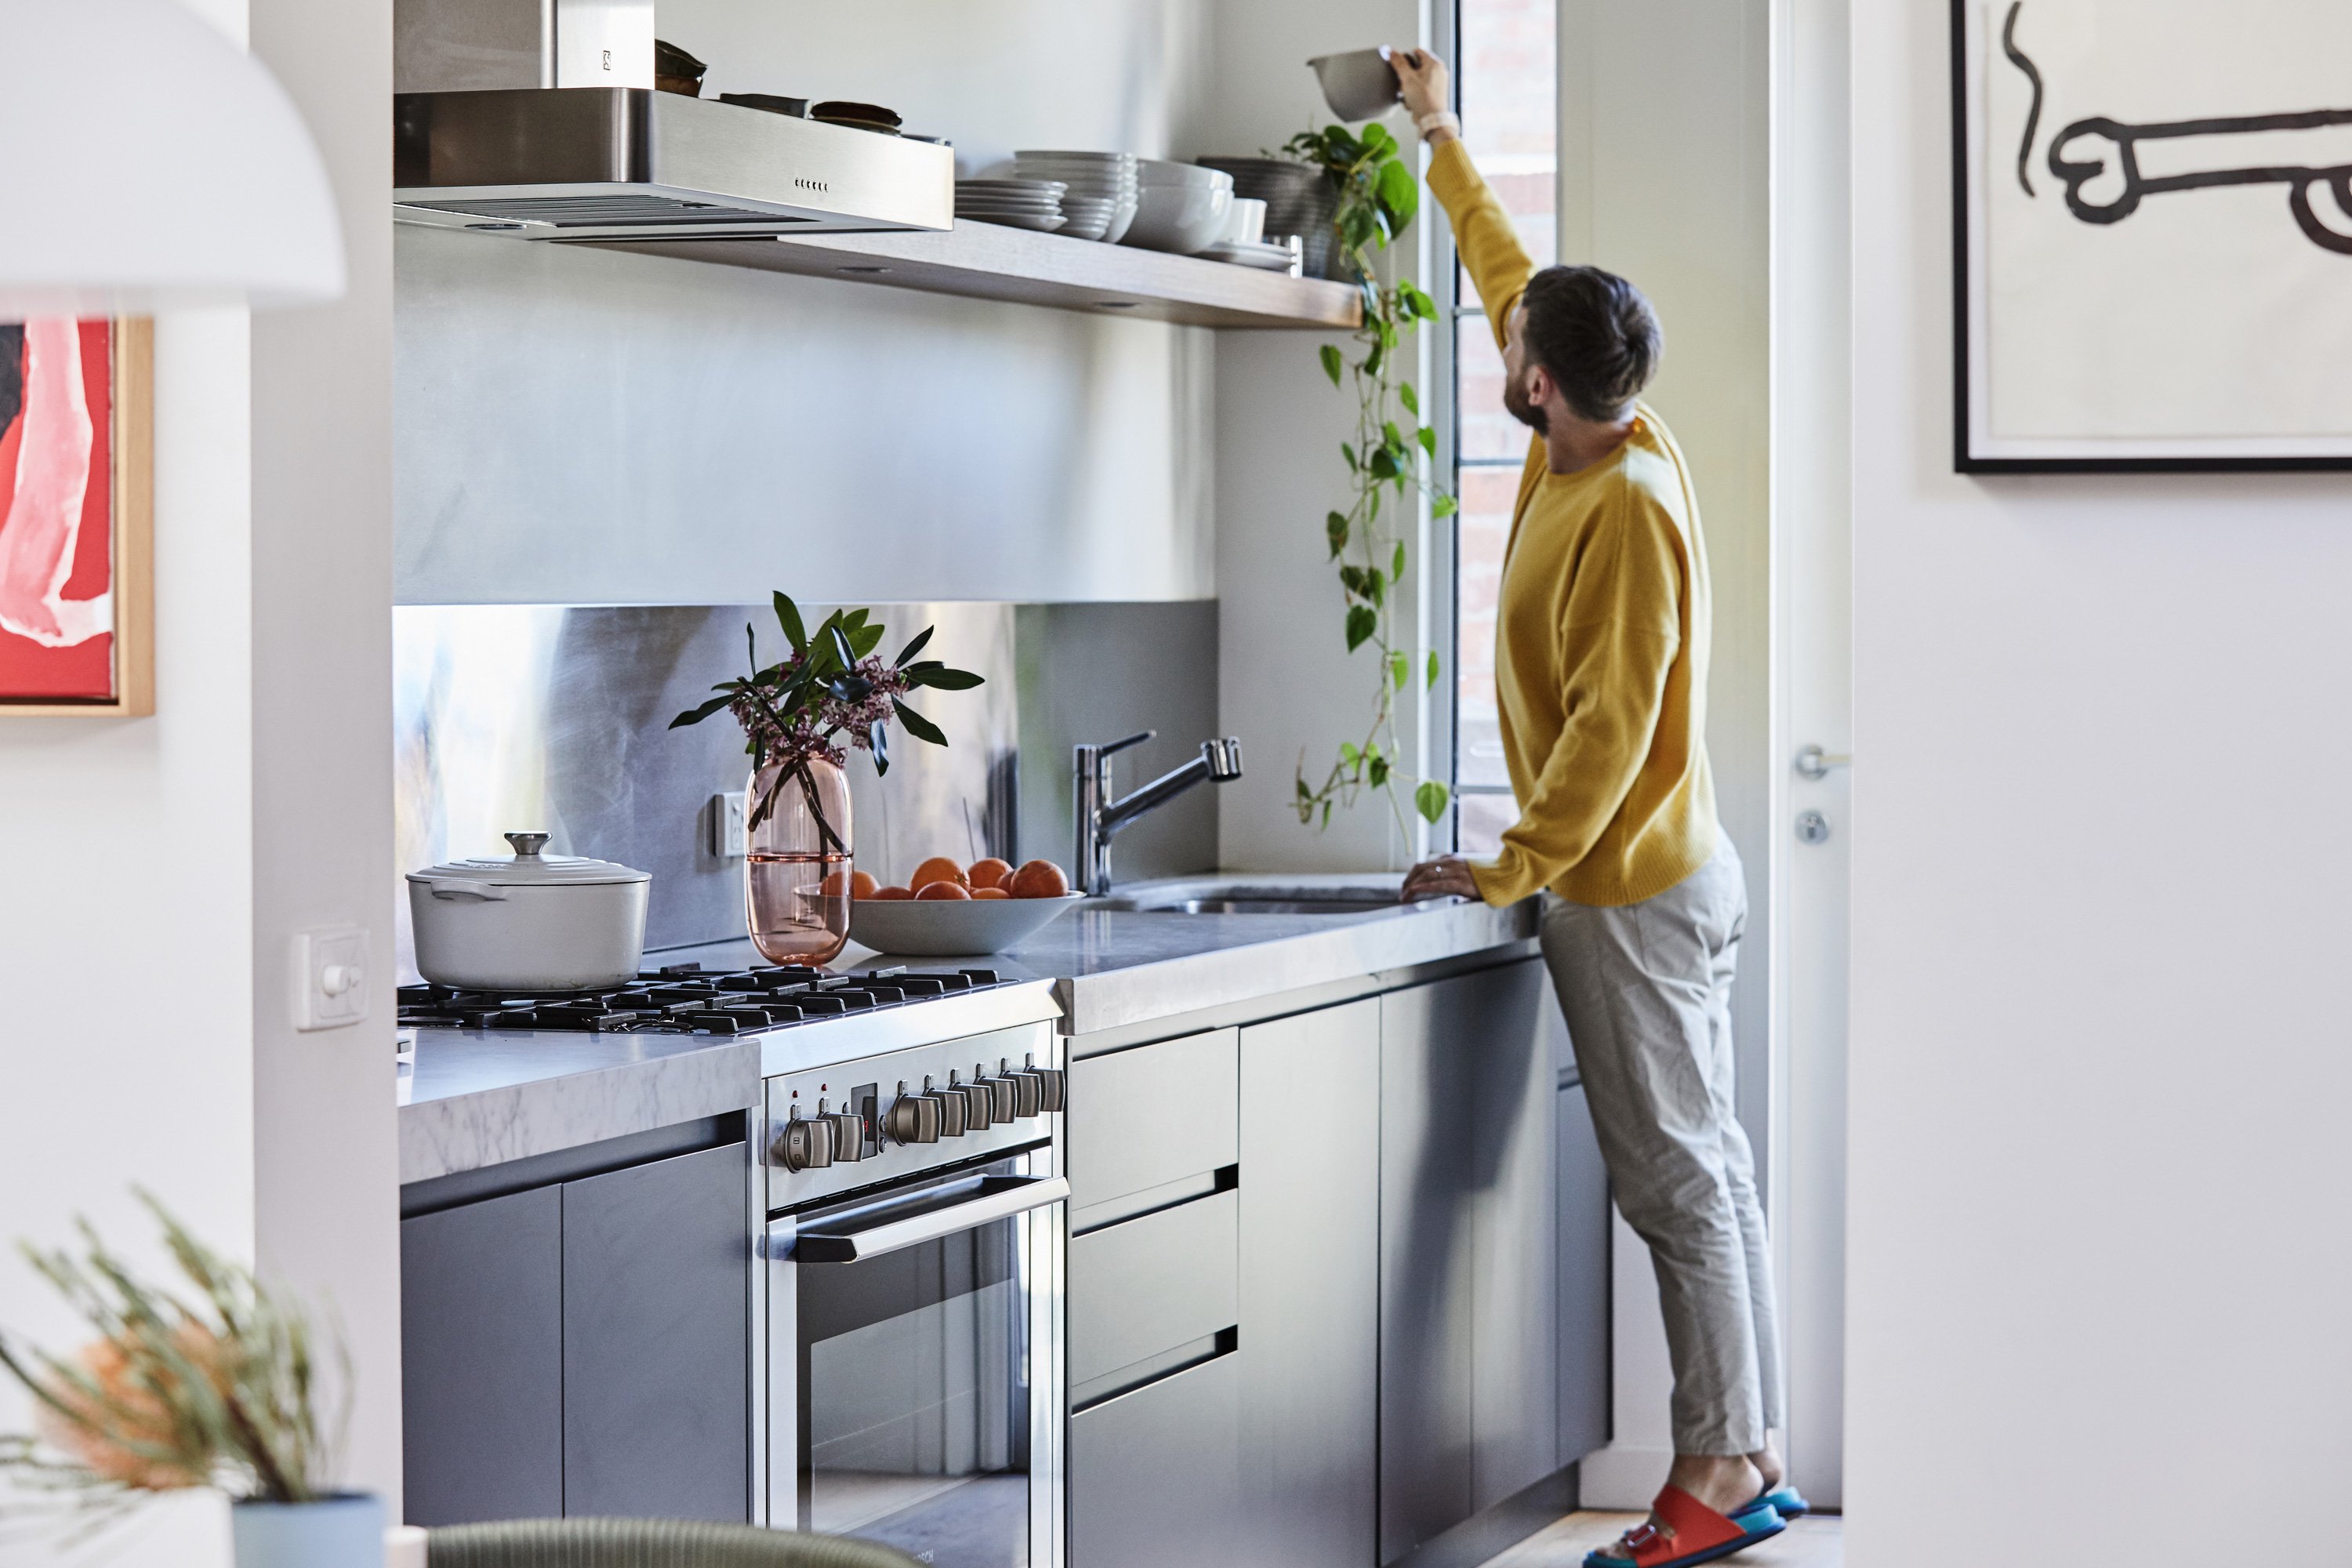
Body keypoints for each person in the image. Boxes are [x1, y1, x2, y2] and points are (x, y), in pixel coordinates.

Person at [1392, 48, 1805, 1568]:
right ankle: (1746, 1450)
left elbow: (1612, 736)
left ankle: (1707, 1477)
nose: (1503, 339)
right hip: (1661, 873)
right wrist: (1439, 128)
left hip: (1630, 886)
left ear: (1539, 381)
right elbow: (1512, 270)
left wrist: (1513, 861)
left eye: (1517, 345)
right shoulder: (1599, 425)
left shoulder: (1620, 506)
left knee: (1679, 1182)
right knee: (1712, 1170)